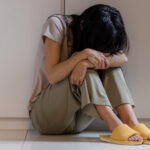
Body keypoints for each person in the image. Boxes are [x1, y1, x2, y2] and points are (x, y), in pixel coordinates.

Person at [28, 4, 150, 145]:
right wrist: (83, 55)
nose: (103, 53)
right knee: (81, 58)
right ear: (82, 26)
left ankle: (131, 122)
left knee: (109, 65)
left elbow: (122, 58)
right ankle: (115, 125)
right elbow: (52, 76)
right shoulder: (57, 24)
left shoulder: (100, 35)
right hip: (46, 117)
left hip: (77, 121)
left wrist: (85, 63)